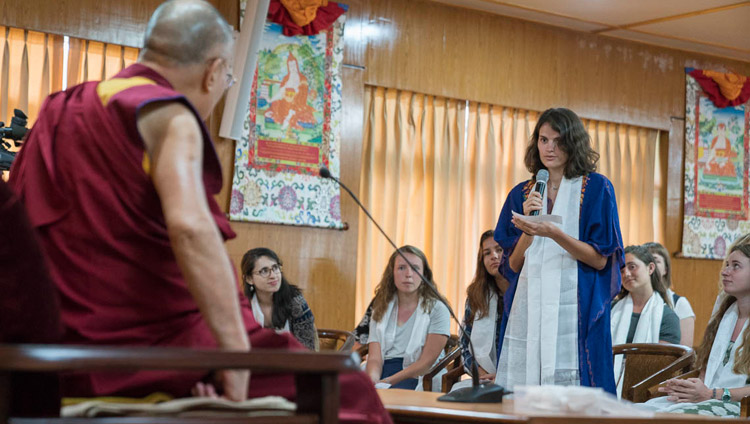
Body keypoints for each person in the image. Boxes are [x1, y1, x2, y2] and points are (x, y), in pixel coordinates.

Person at [7, 1, 391, 422]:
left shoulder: (61, 112)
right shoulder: (168, 113)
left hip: (53, 351)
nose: (224, 85)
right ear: (213, 71)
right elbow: (191, 229)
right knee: (349, 389)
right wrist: (236, 357)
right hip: (144, 353)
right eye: (229, 78)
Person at [493, 107, 624, 394]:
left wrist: (554, 233)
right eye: (543, 139)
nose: (549, 148)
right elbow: (512, 267)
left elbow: (601, 260)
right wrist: (529, 231)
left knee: (576, 394)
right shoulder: (521, 193)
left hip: (577, 305)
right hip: (530, 302)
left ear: (573, 143)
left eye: (557, 140)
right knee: (524, 390)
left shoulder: (596, 188)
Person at [641, 234, 750, 417]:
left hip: (740, 406)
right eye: (727, 265)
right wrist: (689, 388)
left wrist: (711, 394)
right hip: (711, 396)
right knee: (638, 411)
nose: (725, 271)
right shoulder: (726, 311)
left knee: (671, 417)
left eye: (736, 266)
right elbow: (708, 368)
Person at [366, 245, 450, 390]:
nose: (409, 274)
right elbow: (374, 358)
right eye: (402, 268)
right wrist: (372, 381)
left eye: (415, 268)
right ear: (392, 273)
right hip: (384, 369)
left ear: (425, 275)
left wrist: (388, 381)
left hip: (419, 374)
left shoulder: (438, 309)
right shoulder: (380, 306)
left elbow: (425, 363)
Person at [611, 245, 681, 397]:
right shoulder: (611, 309)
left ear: (650, 268)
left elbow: (661, 367)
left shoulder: (667, 317)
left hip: (646, 390)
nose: (626, 274)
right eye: (621, 270)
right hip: (608, 381)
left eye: (632, 267)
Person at [449, 230, 508, 392]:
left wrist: (503, 376)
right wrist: (481, 374)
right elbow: (464, 344)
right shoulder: (476, 294)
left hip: (519, 376)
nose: (494, 256)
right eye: (487, 253)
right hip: (484, 376)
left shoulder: (523, 291)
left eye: (499, 250)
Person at [241, 247, 318, 350]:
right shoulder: (243, 307)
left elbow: (307, 349)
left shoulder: (296, 303)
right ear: (249, 279)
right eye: (264, 271)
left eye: (275, 268)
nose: (273, 276)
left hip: (293, 363)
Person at [644, 242, 695, 346]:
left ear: (665, 269)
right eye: (646, 261)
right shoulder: (632, 302)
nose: (651, 265)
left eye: (656, 260)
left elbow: (684, 352)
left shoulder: (680, 303)